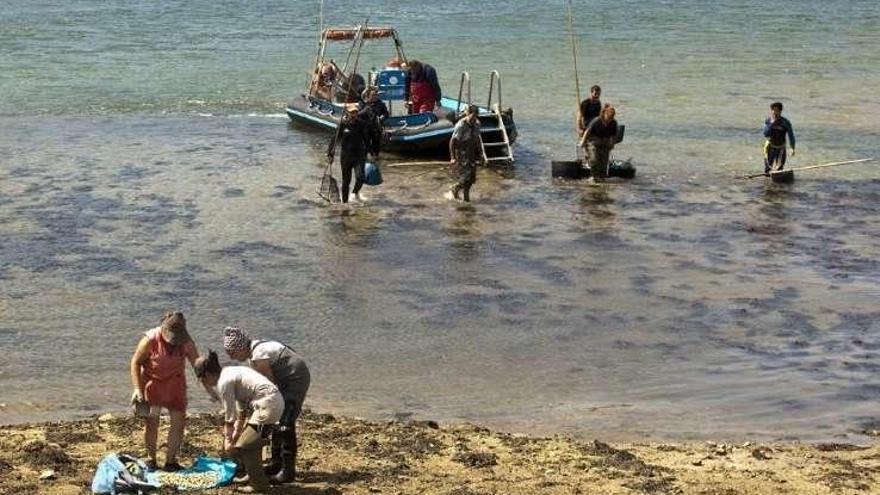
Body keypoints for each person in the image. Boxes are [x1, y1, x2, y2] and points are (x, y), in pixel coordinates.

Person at [223, 327, 310, 484]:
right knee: (277, 420)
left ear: (241, 347)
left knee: (285, 424)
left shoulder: (258, 355)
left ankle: (288, 471)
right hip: (285, 379)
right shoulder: (254, 355)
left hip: (295, 379)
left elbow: (271, 388)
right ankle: (276, 463)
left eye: (232, 353)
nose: (232, 358)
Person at [194, 351, 284, 494]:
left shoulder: (224, 383)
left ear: (207, 375)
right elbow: (240, 412)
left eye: (203, 381)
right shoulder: (230, 372)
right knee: (248, 441)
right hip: (271, 402)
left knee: (245, 445)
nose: (206, 385)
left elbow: (229, 418)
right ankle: (252, 473)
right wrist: (236, 432)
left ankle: (259, 484)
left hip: (268, 405)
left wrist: (228, 441)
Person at [129, 311, 200, 471]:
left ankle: (171, 461)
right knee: (152, 422)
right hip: (153, 385)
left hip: (176, 385)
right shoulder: (150, 340)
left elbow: (197, 365)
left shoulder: (187, 342)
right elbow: (135, 362)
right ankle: (151, 458)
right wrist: (137, 389)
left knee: (178, 423)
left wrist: (212, 388)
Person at [327, 103, 381, 203]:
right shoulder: (342, 124)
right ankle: (345, 203)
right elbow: (334, 140)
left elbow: (366, 139)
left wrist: (371, 153)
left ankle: (355, 193)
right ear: (347, 112)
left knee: (360, 177)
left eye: (356, 112)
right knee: (346, 182)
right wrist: (330, 154)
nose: (354, 114)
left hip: (359, 155)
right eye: (352, 112)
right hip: (346, 156)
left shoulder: (361, 124)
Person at [445, 105, 484, 202]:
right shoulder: (461, 125)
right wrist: (452, 158)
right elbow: (452, 141)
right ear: (468, 114)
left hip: (471, 153)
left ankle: (459, 192)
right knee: (466, 177)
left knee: (471, 179)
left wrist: (481, 153)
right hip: (461, 153)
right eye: (472, 116)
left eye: (476, 116)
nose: (474, 119)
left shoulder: (477, 124)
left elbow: (477, 139)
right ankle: (463, 197)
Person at [579, 104, 619, 182]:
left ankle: (601, 177)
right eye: (609, 117)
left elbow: (615, 135)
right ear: (604, 114)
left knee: (604, 162)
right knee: (594, 159)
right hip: (593, 141)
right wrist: (583, 142)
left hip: (605, 142)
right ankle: (594, 176)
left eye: (612, 117)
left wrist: (612, 144)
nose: (610, 119)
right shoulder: (596, 120)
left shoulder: (614, 123)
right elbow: (587, 131)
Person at [762, 102, 796, 173]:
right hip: (770, 147)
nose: (774, 112)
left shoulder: (785, 122)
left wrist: (792, 148)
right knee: (767, 168)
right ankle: (766, 183)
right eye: (773, 110)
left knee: (780, 169)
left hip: (781, 148)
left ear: (780, 111)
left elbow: (791, 135)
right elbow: (765, 134)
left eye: (776, 110)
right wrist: (772, 124)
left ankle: (779, 183)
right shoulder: (768, 121)